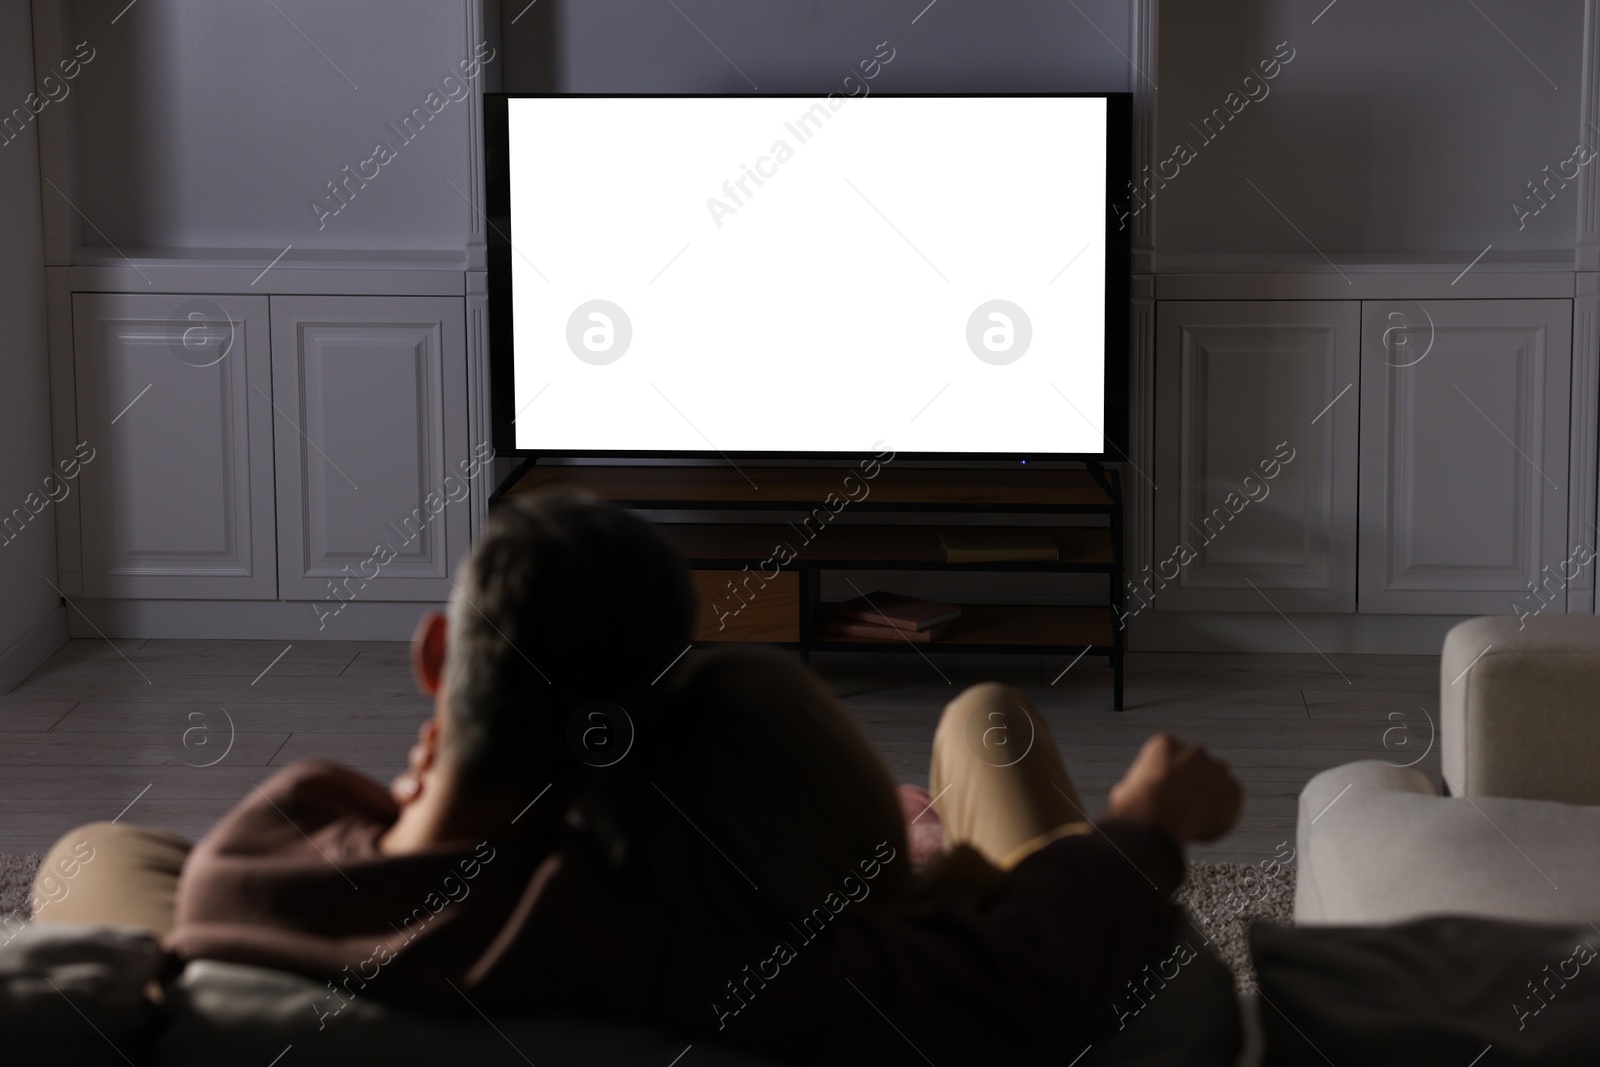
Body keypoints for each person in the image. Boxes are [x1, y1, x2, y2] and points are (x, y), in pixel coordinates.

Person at [32, 492, 1243, 1063]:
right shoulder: (671, 934)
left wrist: (417, 812)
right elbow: (1007, 986)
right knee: (986, 715)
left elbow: (357, 828)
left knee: (90, 855)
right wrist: (1141, 823)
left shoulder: (242, 886)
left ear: (437, 655)